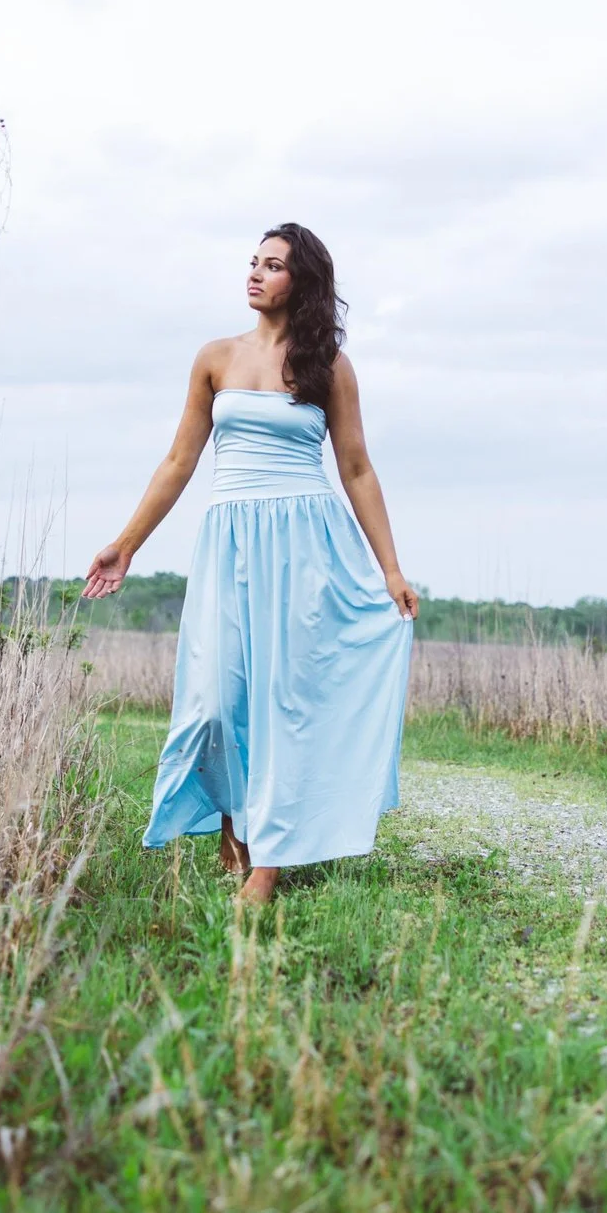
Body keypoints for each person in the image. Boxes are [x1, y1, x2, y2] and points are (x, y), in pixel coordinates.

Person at [84, 223, 418, 906]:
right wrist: (127, 543)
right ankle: (235, 827)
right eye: (253, 262)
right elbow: (179, 461)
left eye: (273, 265)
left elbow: (355, 468)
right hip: (230, 545)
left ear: (303, 281)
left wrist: (389, 568)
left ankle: (266, 867)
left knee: (284, 704)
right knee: (213, 701)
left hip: (306, 549)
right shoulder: (215, 357)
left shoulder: (328, 365)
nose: (256, 274)